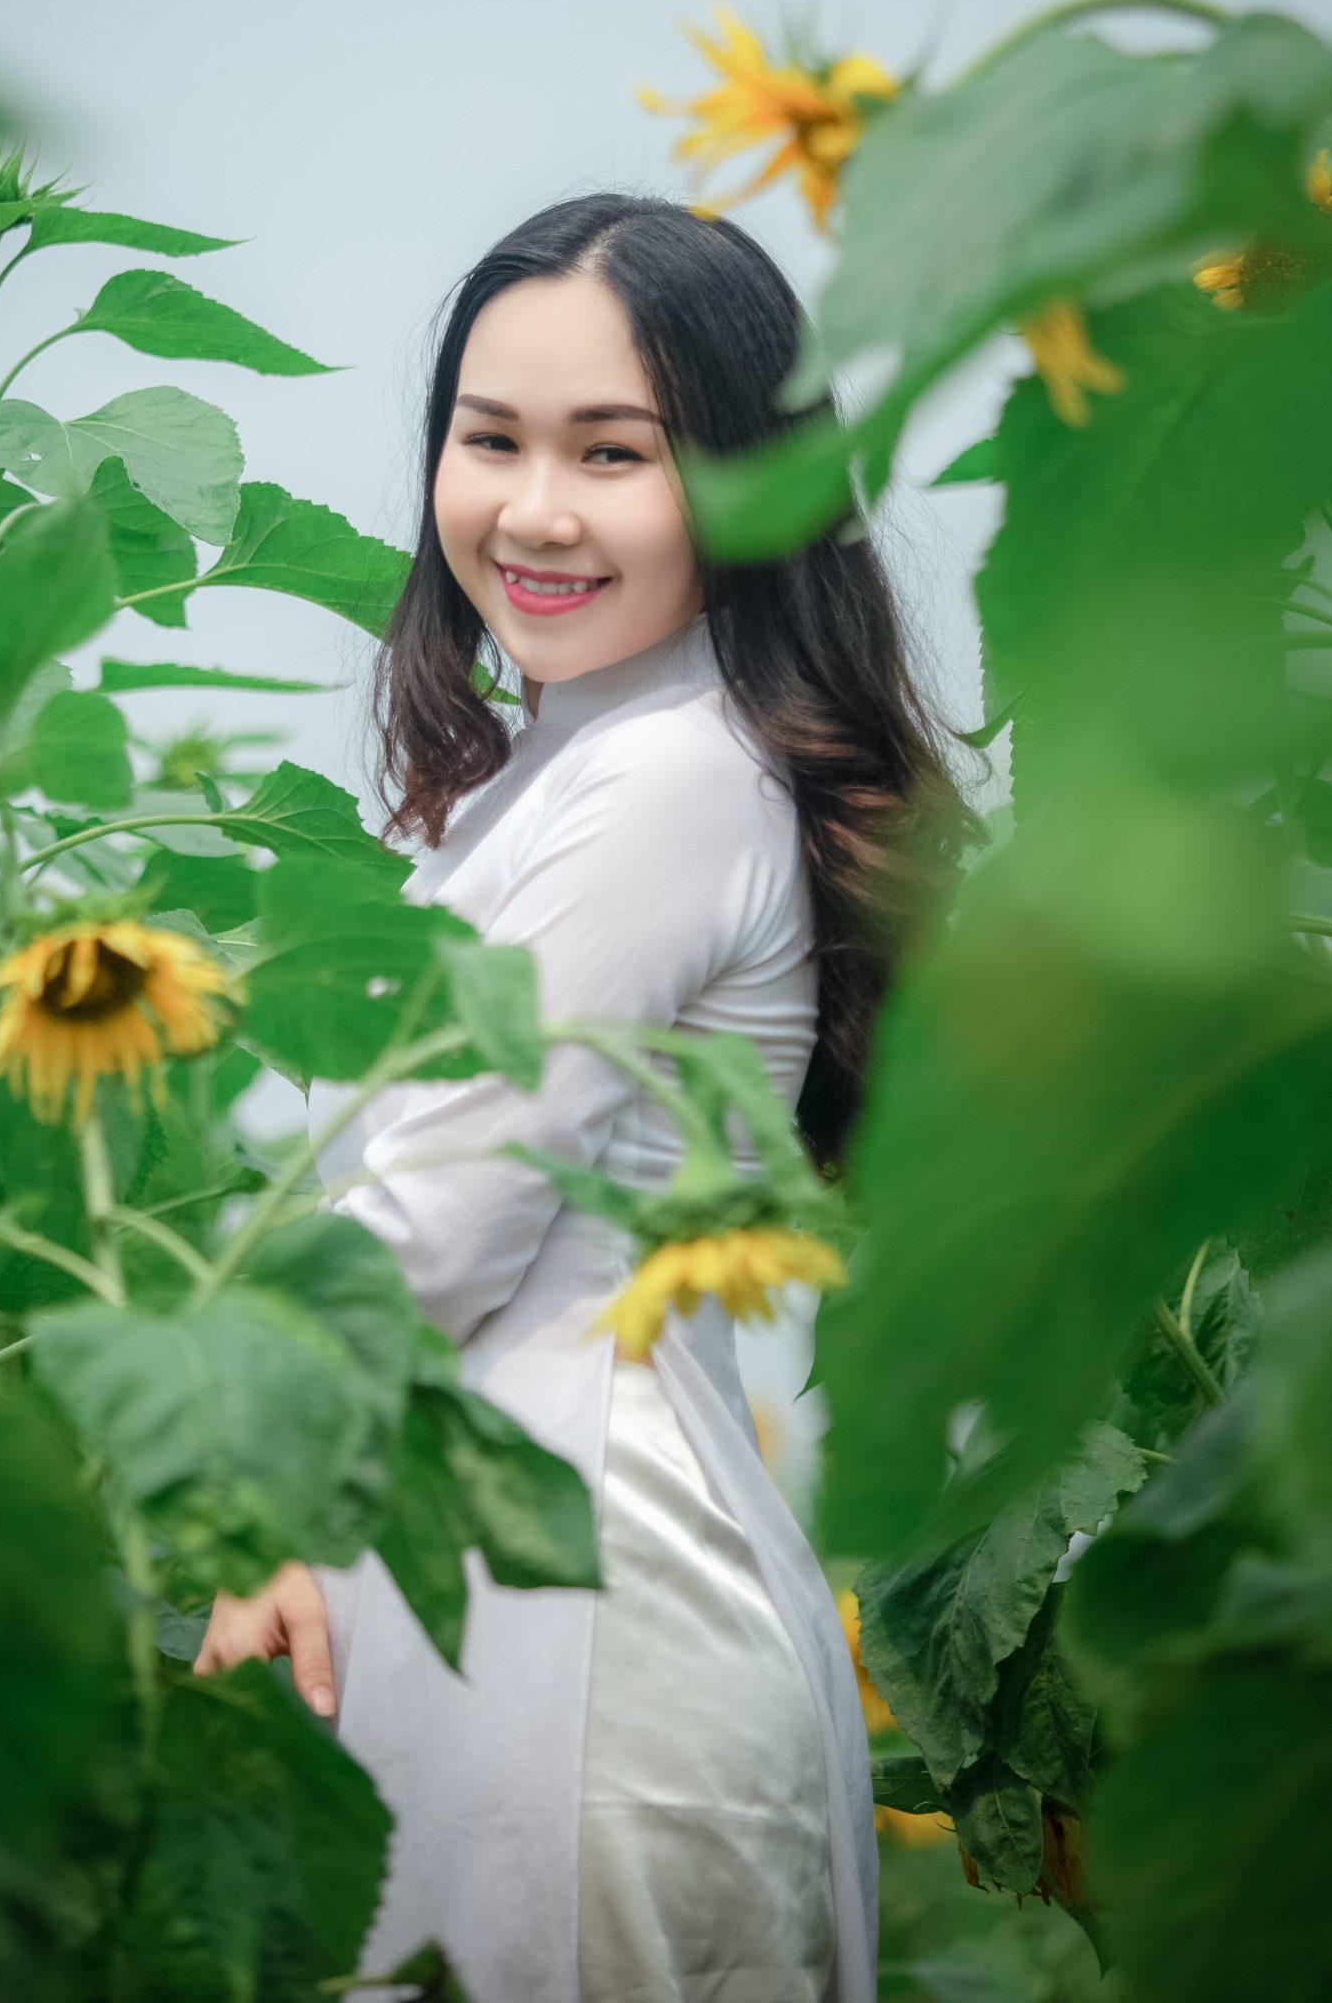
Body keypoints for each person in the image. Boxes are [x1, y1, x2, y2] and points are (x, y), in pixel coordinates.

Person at [194, 193, 982, 2002]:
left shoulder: (663, 784)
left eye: (612, 453)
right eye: (491, 440)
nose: (533, 510)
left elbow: (442, 1223)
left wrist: (238, 1507)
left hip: (583, 1615)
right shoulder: (588, 761)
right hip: (523, 1557)